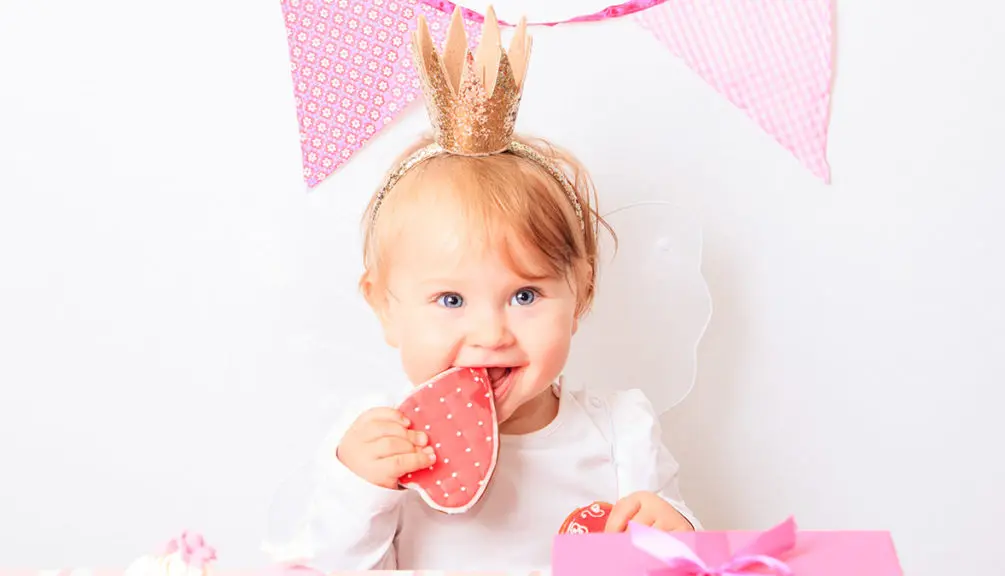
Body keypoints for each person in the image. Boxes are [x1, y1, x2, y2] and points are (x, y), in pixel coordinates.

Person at [263, 7, 700, 571]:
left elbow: (686, 559)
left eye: (525, 296)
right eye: (450, 300)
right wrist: (361, 489)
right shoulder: (382, 438)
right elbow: (331, 565)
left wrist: (672, 531)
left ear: (581, 293)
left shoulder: (622, 432)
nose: (491, 334)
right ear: (384, 307)